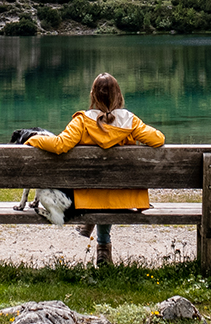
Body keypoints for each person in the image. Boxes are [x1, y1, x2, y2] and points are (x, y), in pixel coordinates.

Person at [24, 72, 164, 265]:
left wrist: (32, 139)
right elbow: (158, 139)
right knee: (109, 189)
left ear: (93, 96)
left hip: (86, 197)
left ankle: (91, 228)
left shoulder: (82, 121)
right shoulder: (130, 121)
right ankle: (103, 246)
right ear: (119, 96)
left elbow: (59, 145)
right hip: (124, 197)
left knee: (97, 189)